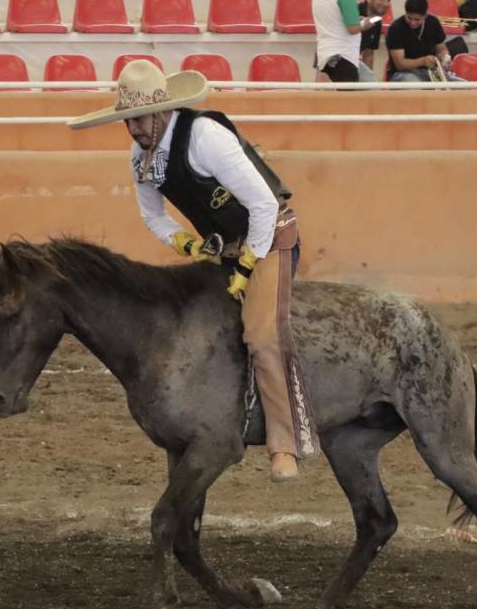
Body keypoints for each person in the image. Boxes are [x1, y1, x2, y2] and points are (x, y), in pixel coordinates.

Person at [67, 60, 316, 483]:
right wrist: (182, 241)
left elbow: (264, 205)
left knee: (260, 334)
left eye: (139, 119)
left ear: (161, 111)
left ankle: (286, 444)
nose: (133, 129)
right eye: (127, 121)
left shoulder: (206, 137)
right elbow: (153, 217)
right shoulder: (140, 156)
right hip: (224, 250)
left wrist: (248, 263)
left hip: (269, 238)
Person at [312, 0, 378, 83]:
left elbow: (333, 17)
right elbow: (353, 29)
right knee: (349, 101)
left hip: (324, 54)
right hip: (343, 56)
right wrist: (366, 23)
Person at [385, 0, 463, 82]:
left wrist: (445, 59)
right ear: (405, 13)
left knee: (463, 85)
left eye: (417, 19)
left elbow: (441, 49)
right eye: (409, 18)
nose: (413, 22)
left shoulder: (433, 22)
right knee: (415, 85)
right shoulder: (396, 28)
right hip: (403, 73)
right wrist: (422, 61)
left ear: (425, 15)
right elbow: (400, 64)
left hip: (432, 72)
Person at [358, 0, 392, 78]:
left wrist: (368, 82)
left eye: (388, 0)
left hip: (353, 64)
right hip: (334, 61)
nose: (386, 4)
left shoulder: (377, 21)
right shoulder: (353, 12)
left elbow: (368, 55)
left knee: (370, 88)